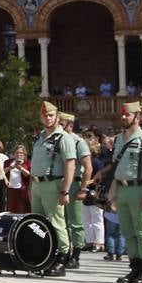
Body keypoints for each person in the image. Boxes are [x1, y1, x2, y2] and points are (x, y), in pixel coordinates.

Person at [110, 101, 142, 283]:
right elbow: (115, 166)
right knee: (128, 231)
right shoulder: (119, 139)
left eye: (127, 115)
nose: (123, 117)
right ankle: (134, 268)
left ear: (137, 117)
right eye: (122, 114)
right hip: (122, 188)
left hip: (139, 189)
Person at [29, 102, 74, 277]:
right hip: (38, 184)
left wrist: (65, 190)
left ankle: (61, 258)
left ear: (57, 117)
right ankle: (43, 256)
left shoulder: (63, 138)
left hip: (53, 183)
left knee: (56, 223)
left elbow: (70, 165)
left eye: (51, 115)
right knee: (38, 224)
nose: (47, 118)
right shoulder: (40, 137)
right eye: (44, 115)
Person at [59, 113, 91, 269]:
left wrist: (83, 188)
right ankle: (63, 252)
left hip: (74, 184)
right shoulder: (58, 139)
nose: (59, 125)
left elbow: (88, 168)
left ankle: (76, 254)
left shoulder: (78, 142)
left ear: (70, 126)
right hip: (60, 183)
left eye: (62, 123)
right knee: (61, 221)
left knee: (75, 221)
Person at [4, 144, 31, 213]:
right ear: (14, 154)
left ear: (24, 154)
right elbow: (2, 173)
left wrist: (21, 168)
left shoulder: (27, 163)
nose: (19, 154)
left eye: (21, 153)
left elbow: (29, 175)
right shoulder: (8, 162)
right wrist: (10, 167)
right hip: (11, 189)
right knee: (11, 210)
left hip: (23, 190)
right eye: (17, 152)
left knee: (24, 209)